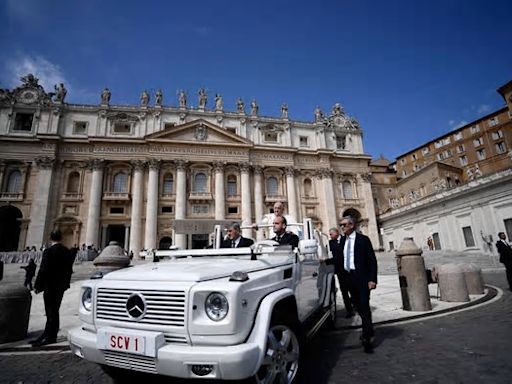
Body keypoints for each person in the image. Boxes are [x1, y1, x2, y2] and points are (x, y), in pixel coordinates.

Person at [337, 215, 378, 353]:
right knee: (358, 306)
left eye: (344, 225)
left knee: (364, 305)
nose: (341, 227)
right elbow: (339, 258)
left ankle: (367, 337)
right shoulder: (342, 240)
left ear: (352, 225)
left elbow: (372, 260)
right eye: (341, 225)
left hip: (361, 278)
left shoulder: (363, 240)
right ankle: (369, 328)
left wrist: (372, 279)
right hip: (348, 279)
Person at [31, 230, 74, 347]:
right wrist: (65, 284)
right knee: (54, 311)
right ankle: (49, 334)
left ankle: (49, 336)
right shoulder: (67, 252)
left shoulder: (48, 251)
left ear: (50, 238)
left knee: (50, 311)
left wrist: (37, 285)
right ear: (61, 238)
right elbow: (69, 270)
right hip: (60, 286)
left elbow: (43, 269)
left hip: (50, 286)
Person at [327, 227, 354, 318]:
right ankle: (349, 311)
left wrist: (327, 261)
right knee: (344, 291)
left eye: (331, 234)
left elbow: (343, 255)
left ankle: (355, 304)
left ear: (337, 233)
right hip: (339, 271)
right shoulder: (331, 243)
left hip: (349, 269)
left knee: (353, 289)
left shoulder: (345, 239)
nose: (330, 236)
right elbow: (331, 254)